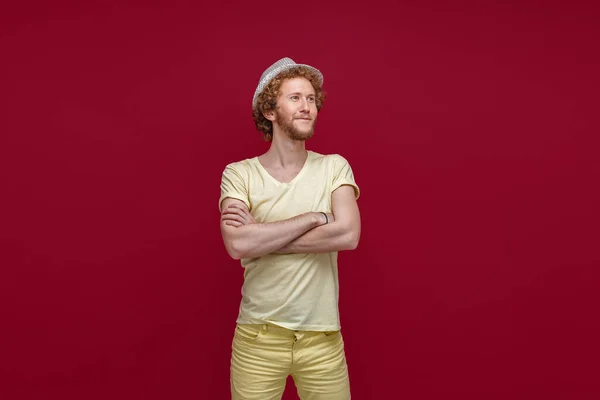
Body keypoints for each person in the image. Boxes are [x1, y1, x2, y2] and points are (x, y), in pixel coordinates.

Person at [218, 57, 361, 400]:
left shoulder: (333, 167)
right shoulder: (239, 174)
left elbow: (348, 235)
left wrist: (263, 238)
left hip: (322, 341)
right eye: (295, 98)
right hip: (258, 339)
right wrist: (314, 217)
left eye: (311, 99)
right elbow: (237, 244)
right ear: (270, 110)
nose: (307, 107)